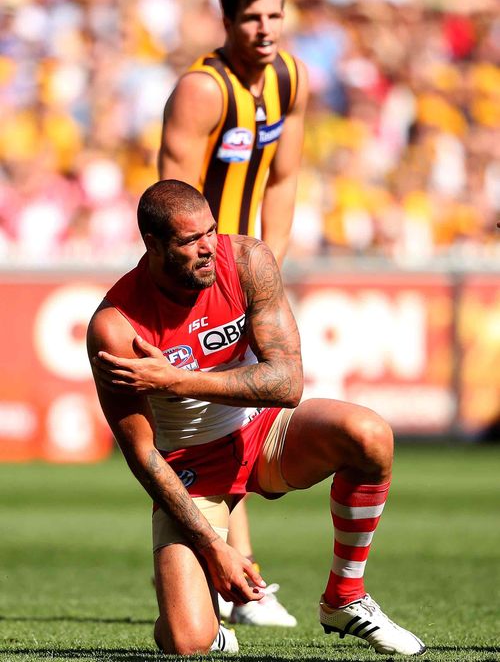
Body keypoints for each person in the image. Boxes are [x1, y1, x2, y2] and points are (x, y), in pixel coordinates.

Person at [87, 179, 426, 657]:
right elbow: (142, 455)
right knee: (187, 642)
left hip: (262, 431)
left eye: (211, 231)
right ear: (154, 245)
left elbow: (288, 385)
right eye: (189, 241)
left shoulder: (247, 260)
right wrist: (216, 548)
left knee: (369, 434)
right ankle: (208, 625)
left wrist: (176, 381)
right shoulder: (115, 326)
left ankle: (345, 598)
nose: (208, 248)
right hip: (188, 471)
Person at [157, 0, 309, 626]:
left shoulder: (291, 79)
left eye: (274, 15)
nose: (265, 29)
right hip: (199, 277)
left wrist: (266, 268)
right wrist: (215, 277)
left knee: (242, 419)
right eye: (252, 18)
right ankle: (231, 579)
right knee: (207, 427)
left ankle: (237, 580)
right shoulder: (201, 89)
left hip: (248, 276)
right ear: (227, 22)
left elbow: (285, 177)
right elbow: (175, 202)